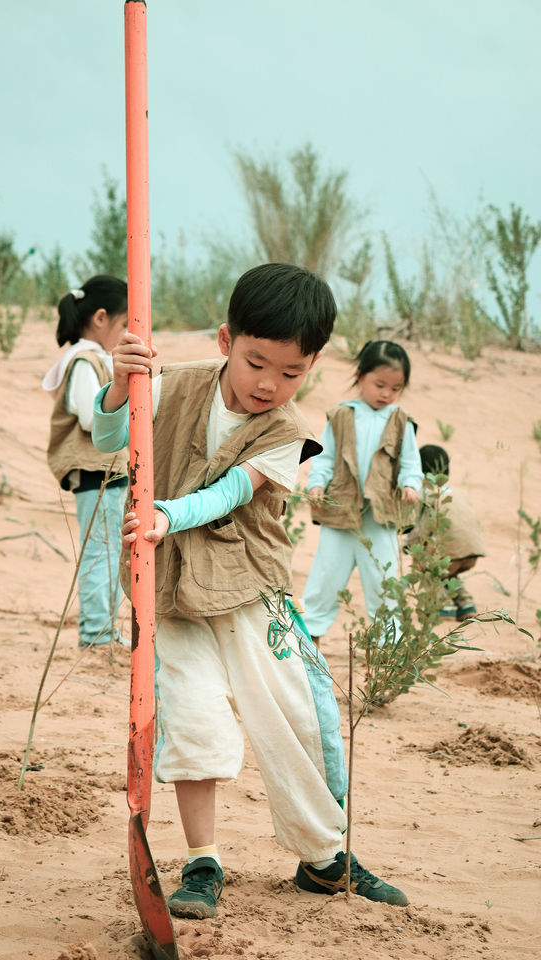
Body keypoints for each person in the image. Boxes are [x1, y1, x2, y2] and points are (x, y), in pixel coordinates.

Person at [92, 263, 409, 920]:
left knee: (295, 716)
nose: (269, 383)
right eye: (256, 362)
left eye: (291, 372)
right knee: (194, 718)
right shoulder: (170, 380)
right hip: (170, 589)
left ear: (313, 365)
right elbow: (107, 437)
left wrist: (164, 516)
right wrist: (122, 382)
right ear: (224, 340)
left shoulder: (290, 431)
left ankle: (323, 857)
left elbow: (234, 491)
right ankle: (203, 861)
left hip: (250, 590)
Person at [301, 340, 423, 646]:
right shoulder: (342, 415)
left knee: (385, 581)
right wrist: (317, 483)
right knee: (326, 576)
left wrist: (411, 485)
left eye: (395, 388)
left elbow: (410, 461)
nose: (386, 394)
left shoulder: (401, 421)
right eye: (379, 384)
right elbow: (325, 457)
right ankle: (307, 639)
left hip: (379, 518)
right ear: (360, 376)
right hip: (341, 512)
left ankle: (386, 648)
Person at [43, 275, 129, 650]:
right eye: (124, 324)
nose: (127, 332)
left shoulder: (96, 359)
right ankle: (95, 634)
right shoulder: (83, 361)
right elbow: (91, 418)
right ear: (100, 318)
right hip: (97, 473)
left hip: (109, 473)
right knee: (101, 552)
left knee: (112, 551)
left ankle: (106, 630)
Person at [406, 444, 486, 620]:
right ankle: (466, 604)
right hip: (471, 551)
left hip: (449, 554)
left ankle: (443, 605)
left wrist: (409, 546)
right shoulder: (459, 493)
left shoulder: (424, 494)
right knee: (448, 572)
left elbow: (422, 529)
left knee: (426, 568)